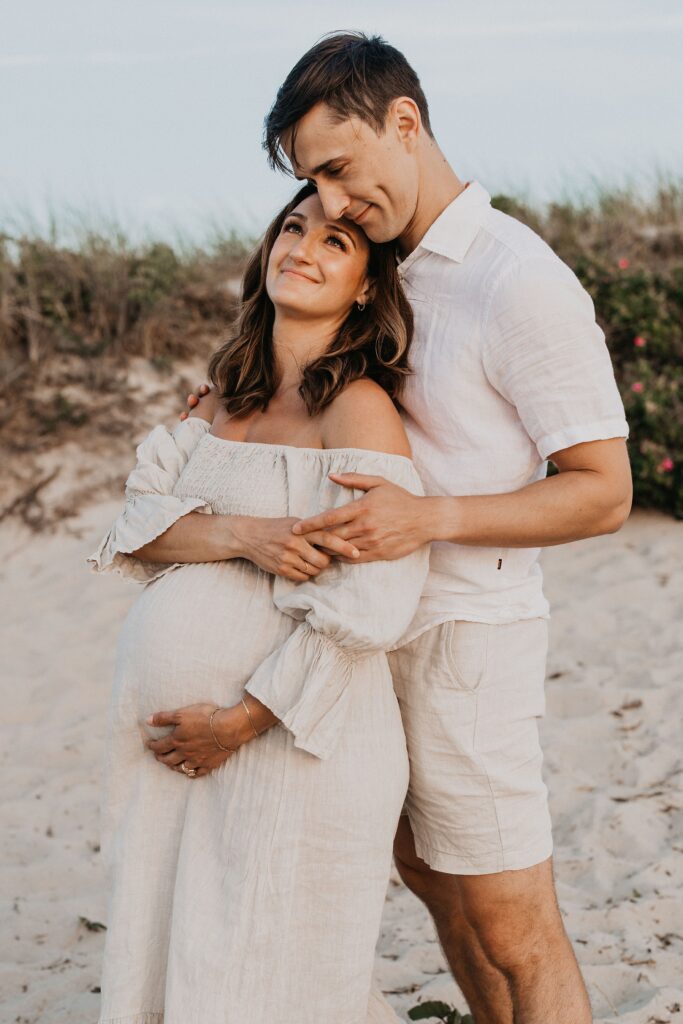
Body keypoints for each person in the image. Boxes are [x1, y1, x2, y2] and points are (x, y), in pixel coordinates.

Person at [171, 33, 633, 1024]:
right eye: (311, 185)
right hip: (362, 641)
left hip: (467, 641)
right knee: (437, 893)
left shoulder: (516, 279)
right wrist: (230, 405)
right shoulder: (385, 262)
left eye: (337, 169)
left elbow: (601, 491)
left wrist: (429, 517)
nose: (330, 205)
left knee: (513, 924)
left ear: (404, 122)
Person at [87, 183, 430, 1024]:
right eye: (292, 227)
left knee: (274, 979)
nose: (304, 246)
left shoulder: (358, 409)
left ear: (366, 288)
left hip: (293, 741)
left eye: (337, 242)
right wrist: (246, 535)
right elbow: (134, 530)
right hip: (182, 755)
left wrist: (240, 721)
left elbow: (373, 604)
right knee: (182, 966)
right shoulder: (220, 403)